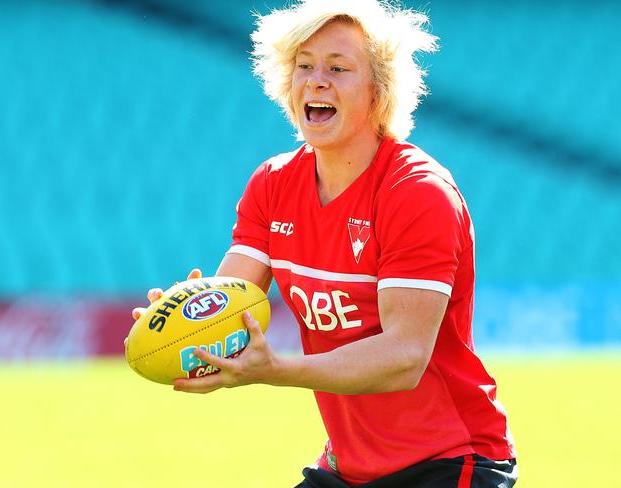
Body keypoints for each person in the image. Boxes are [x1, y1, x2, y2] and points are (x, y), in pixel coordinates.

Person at [132, 1, 517, 486]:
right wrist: (187, 317)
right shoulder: (272, 185)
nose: (316, 81)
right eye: (304, 66)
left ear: (379, 92)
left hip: (449, 460)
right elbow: (233, 296)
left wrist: (277, 369)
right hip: (349, 466)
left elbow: (404, 357)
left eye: (338, 68)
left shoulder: (417, 192)